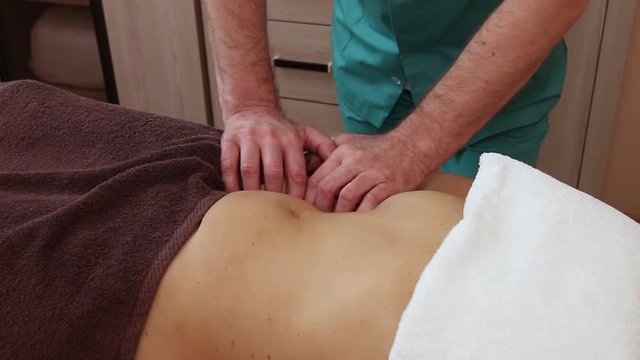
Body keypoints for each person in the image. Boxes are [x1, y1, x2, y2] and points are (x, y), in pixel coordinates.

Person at [204, 0, 588, 212]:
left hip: (497, 76)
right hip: (372, 55)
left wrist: (413, 147)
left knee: (472, 235)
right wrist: (250, 103)